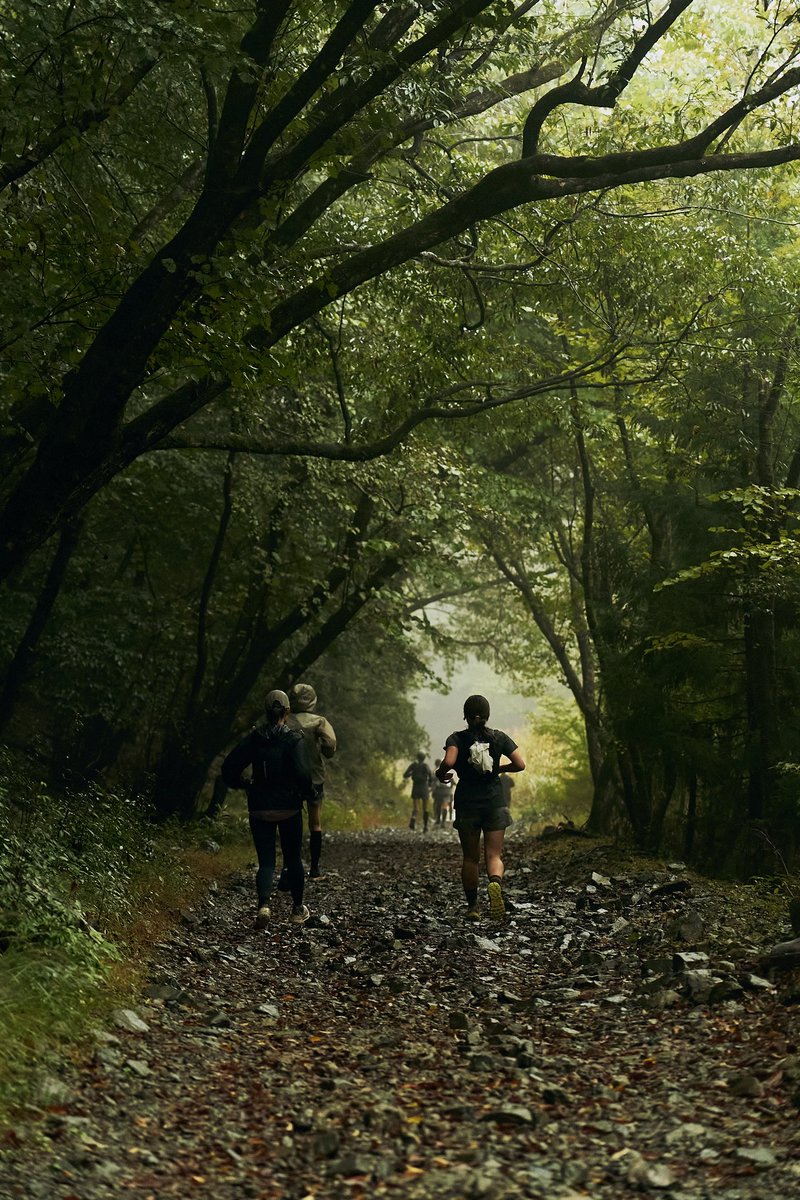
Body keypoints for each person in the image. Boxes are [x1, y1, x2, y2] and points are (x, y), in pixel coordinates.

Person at [221, 689, 314, 928]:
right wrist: (307, 794)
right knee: (293, 859)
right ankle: (296, 909)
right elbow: (304, 774)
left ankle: (263, 905)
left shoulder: (254, 738)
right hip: (289, 808)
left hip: (260, 807)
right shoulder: (294, 739)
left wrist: (244, 784)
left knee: (266, 862)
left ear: (265, 711)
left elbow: (229, 767)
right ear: (287, 712)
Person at [436, 694, 525, 919]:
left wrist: (441, 773)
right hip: (494, 801)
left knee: (470, 857)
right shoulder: (499, 738)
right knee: (494, 855)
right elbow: (520, 764)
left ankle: (473, 907)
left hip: (467, 803)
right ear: (487, 716)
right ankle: (495, 883)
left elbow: (448, 761)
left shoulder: (456, 738)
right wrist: (500, 769)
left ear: (465, 716)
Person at [286, 682, 337, 879]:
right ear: (313, 701)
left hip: (289, 778)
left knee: (290, 821)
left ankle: (289, 867)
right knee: (315, 822)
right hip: (314, 776)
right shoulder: (319, 722)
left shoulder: (284, 720)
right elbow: (330, 746)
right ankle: (315, 869)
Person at [403, 752, 434, 832]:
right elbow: (431, 776)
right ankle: (425, 827)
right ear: (424, 758)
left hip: (416, 787)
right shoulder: (425, 766)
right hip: (424, 787)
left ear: (417, 757)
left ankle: (413, 819)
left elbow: (405, 775)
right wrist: (430, 785)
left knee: (416, 807)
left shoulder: (413, 765)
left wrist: (412, 773)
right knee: (425, 808)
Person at [432, 759, 454, 826]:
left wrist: (433, 791)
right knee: (445, 806)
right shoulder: (447, 771)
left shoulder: (435, 772)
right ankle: (443, 822)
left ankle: (438, 820)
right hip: (447, 791)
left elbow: (434, 782)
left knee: (438, 805)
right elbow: (451, 780)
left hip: (439, 791)